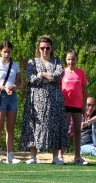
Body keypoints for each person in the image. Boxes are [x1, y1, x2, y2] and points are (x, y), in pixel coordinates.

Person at [19, 35, 67, 165]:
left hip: (54, 102)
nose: (45, 50)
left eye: (47, 48)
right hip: (35, 102)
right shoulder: (32, 62)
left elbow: (59, 75)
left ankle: (55, 156)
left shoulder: (57, 62)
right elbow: (32, 78)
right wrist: (47, 78)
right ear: (38, 49)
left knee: (55, 125)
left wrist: (42, 74)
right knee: (34, 126)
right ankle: (33, 156)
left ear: (51, 48)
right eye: (42, 48)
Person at [0, 40, 22, 164]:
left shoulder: (15, 65)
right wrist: (3, 88)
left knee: (11, 127)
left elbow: (20, 82)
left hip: (12, 96)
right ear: (0, 51)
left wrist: (15, 87)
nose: (7, 54)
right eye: (4, 52)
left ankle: (10, 154)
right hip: (1, 96)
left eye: (9, 52)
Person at [62, 49, 89, 165]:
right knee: (65, 131)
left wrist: (84, 104)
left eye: (73, 59)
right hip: (65, 105)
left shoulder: (81, 73)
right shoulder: (62, 72)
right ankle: (60, 155)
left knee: (77, 131)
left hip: (78, 105)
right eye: (68, 59)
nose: (71, 62)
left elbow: (84, 89)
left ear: (76, 60)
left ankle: (77, 157)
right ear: (65, 60)